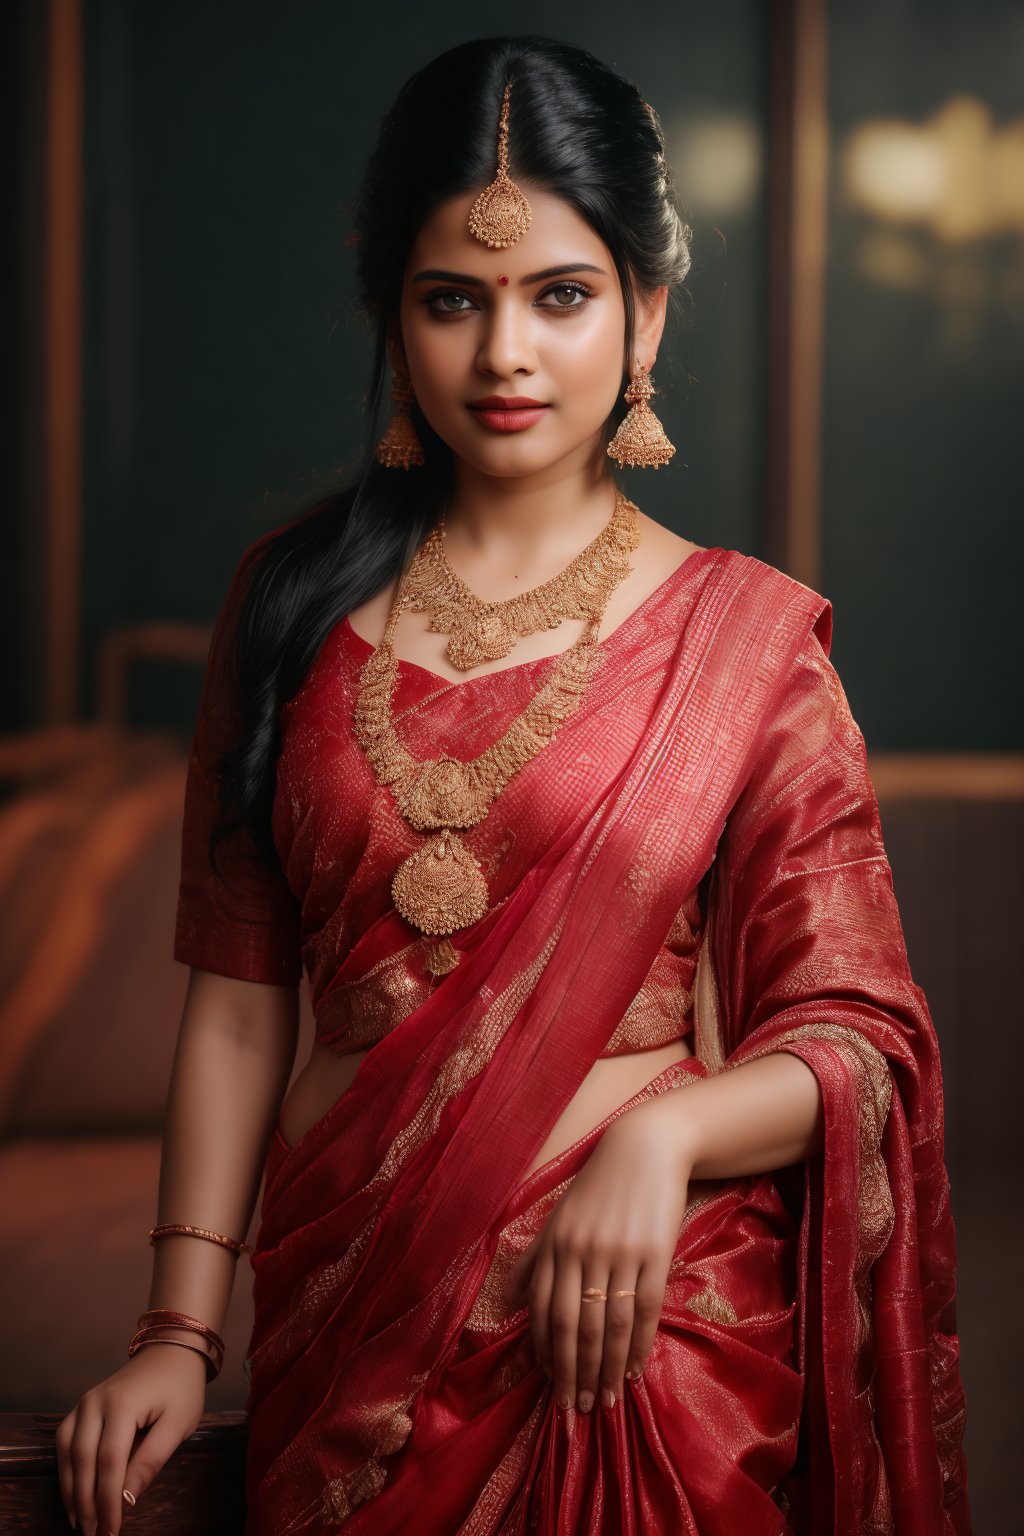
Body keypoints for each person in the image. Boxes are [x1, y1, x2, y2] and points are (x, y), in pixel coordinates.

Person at [56, 33, 971, 1536]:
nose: (505, 355)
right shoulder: (286, 608)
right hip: (352, 1333)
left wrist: (663, 1136)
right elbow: (235, 1004)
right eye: (451, 301)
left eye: (561, 295)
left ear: (647, 310)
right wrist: (177, 1333)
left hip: (642, 1348)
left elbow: (860, 1034)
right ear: (387, 311)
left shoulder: (742, 643)